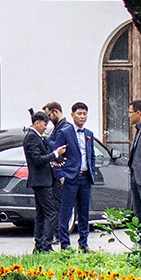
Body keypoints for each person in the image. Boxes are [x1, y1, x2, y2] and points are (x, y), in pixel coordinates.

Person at [53, 101, 103, 251]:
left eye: (85, 114)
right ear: (72, 115)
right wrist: (61, 176)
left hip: (85, 178)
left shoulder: (89, 134)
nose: (82, 117)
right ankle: (65, 244)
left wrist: (91, 171)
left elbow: (91, 155)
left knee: (84, 212)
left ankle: (84, 243)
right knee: (66, 212)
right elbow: (56, 156)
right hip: (70, 178)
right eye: (79, 114)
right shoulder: (65, 132)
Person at [22, 109, 61, 252]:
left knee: (41, 214)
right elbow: (37, 159)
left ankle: (39, 246)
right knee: (51, 213)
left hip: (41, 180)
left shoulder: (36, 136)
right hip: (41, 181)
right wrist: (55, 154)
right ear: (37, 123)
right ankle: (46, 246)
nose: (46, 127)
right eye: (45, 124)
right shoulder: (32, 137)